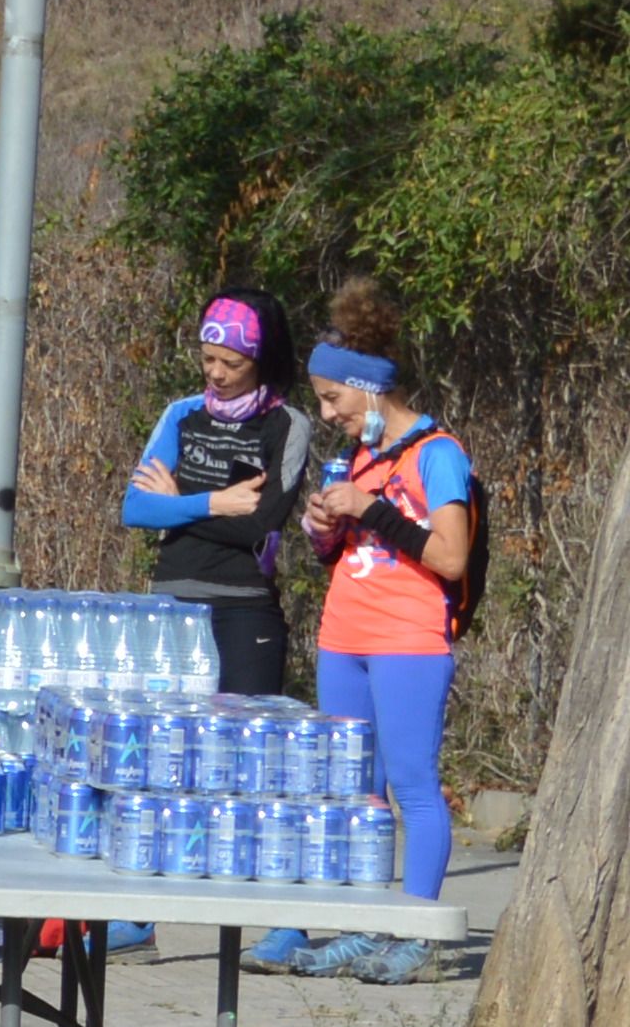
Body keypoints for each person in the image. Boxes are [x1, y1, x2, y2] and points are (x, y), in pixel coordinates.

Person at [298, 284, 478, 982]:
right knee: (357, 791)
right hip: (344, 633)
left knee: (411, 784)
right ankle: (363, 926)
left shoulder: (437, 453)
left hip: (409, 639)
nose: (328, 414)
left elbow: (450, 556)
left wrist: (369, 510)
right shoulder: (360, 457)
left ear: (368, 390)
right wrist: (323, 530)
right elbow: (347, 552)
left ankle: (420, 932)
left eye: (332, 399)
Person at [125, 291, 315, 701]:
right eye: (207, 358)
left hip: (244, 605)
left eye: (233, 363)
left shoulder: (286, 424)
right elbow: (136, 507)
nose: (216, 373)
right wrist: (214, 503)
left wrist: (174, 505)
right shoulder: (182, 414)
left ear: (262, 361)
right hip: (172, 598)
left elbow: (260, 528)